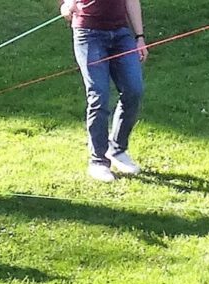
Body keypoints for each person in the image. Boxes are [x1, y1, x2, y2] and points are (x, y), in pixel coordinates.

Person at [60, 0, 148, 183]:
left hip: (121, 34)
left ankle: (117, 148)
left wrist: (139, 36)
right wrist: (67, 4)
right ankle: (98, 161)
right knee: (98, 96)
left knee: (134, 90)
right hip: (88, 34)